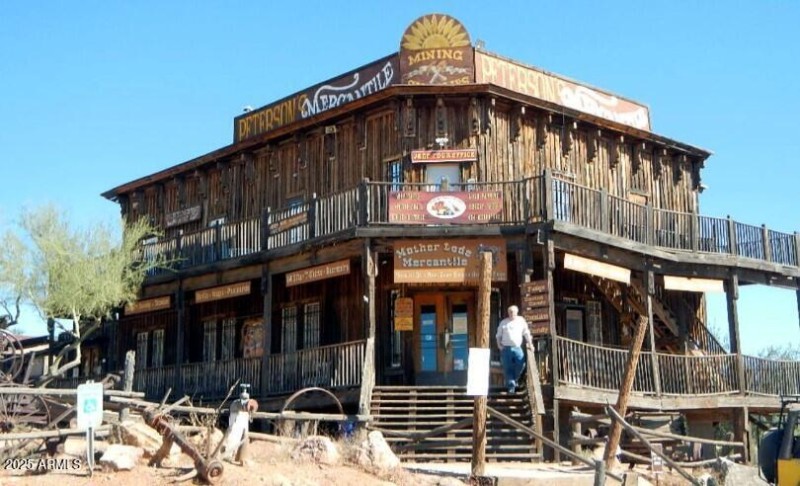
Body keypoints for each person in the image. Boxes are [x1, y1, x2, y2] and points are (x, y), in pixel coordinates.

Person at [495, 305, 531, 393]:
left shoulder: (521, 321)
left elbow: (526, 333)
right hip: (506, 348)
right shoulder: (504, 322)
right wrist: (499, 345)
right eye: (510, 312)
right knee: (507, 367)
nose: (511, 314)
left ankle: (513, 380)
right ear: (508, 313)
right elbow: (498, 335)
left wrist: (530, 344)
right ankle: (511, 386)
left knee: (521, 364)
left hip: (517, 348)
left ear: (516, 312)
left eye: (513, 312)